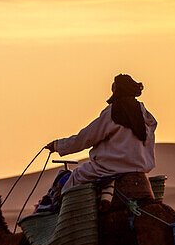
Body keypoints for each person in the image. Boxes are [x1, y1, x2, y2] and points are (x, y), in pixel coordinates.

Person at [36, 74, 157, 209]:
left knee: (75, 177)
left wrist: (58, 145)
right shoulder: (145, 114)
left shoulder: (113, 112)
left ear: (118, 89)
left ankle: (65, 218)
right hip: (141, 168)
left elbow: (86, 138)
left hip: (109, 168)